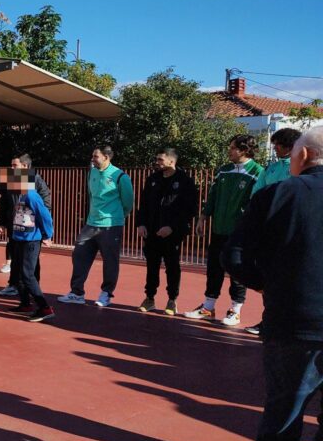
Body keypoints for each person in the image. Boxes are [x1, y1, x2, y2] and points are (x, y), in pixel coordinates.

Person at [221, 125, 323, 441]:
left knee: (284, 417)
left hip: (292, 326)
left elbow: (234, 257)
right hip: (295, 326)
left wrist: (267, 285)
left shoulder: (276, 194)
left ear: (302, 156)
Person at [183, 134, 263, 326]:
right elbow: (212, 196)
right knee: (214, 268)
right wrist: (203, 217)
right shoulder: (223, 171)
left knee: (236, 270)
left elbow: (258, 201)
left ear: (244, 150)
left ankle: (235, 311)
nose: (229, 151)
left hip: (240, 232)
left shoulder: (258, 172)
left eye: (233, 147)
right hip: (219, 228)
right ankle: (208, 307)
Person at [58, 146, 134, 308]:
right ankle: (77, 293)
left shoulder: (120, 177)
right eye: (92, 156)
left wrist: (116, 217)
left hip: (111, 226)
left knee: (110, 261)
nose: (92, 159)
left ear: (107, 157)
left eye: (96, 156)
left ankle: (106, 293)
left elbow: (128, 202)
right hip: (91, 224)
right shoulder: (92, 172)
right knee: (79, 254)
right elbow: (92, 196)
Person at [246, 128, 302, 336]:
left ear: (290, 146)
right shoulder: (270, 169)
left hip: (290, 230)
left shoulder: (297, 169)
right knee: (270, 277)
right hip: (270, 230)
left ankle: (290, 322)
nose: (275, 148)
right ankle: (267, 320)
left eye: (278, 145)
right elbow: (256, 194)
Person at [135, 148, 199, 316]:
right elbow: (143, 204)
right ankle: (149, 298)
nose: (157, 162)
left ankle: (172, 300)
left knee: (172, 266)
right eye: (157, 159)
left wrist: (172, 227)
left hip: (173, 233)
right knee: (152, 265)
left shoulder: (185, 181)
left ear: (172, 161)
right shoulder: (152, 179)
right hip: (152, 231)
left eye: (160, 160)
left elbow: (190, 209)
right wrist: (141, 224)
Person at [0, 154, 52, 296]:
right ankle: (13, 285)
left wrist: (44, 230)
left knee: (32, 261)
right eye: (11, 165)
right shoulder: (9, 179)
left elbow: (45, 205)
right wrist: (1, 221)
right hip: (14, 226)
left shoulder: (36, 180)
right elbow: (4, 202)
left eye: (15, 166)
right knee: (15, 257)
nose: (11, 168)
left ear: (25, 167)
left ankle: (33, 289)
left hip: (31, 230)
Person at [4, 168, 56, 322]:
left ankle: (45, 308)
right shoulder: (20, 195)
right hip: (19, 239)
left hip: (30, 241)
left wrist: (47, 235)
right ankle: (25, 304)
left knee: (27, 275)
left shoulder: (32, 196)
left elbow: (44, 215)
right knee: (18, 273)